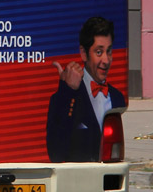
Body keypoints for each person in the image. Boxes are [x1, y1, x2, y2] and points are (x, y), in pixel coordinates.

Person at [45, 16, 128, 162]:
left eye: (108, 51)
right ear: (83, 53)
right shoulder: (66, 95)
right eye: (98, 52)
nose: (106, 60)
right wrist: (68, 91)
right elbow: (56, 152)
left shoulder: (117, 97)